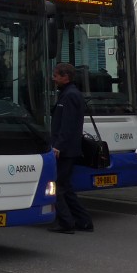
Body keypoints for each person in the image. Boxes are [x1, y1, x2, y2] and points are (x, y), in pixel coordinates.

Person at [49, 61, 94, 233]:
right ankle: (84, 221)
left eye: (56, 76)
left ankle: (66, 223)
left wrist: (57, 146)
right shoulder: (70, 94)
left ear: (65, 77)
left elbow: (67, 125)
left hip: (65, 149)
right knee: (65, 186)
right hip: (69, 148)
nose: (54, 79)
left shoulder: (69, 96)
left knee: (58, 186)